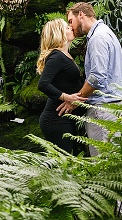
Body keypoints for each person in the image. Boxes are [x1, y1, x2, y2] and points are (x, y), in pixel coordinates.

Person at [60, 2, 122, 157]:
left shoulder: (98, 38)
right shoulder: (106, 32)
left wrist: (75, 100)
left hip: (103, 110)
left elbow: (97, 78)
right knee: (113, 165)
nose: (71, 27)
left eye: (71, 21)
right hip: (114, 108)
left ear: (81, 15)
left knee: (102, 164)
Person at [36, 18, 86, 154]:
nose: (71, 28)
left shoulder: (65, 55)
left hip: (65, 118)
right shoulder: (56, 56)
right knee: (66, 163)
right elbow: (43, 84)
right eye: (66, 27)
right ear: (58, 33)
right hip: (55, 119)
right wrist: (66, 97)